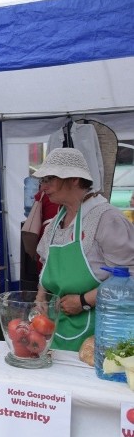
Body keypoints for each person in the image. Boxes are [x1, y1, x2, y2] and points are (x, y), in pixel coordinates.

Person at [35, 148, 134, 351]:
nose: (43, 187)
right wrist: (40, 298)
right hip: (57, 331)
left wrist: (83, 301)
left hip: (102, 333)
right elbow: (46, 265)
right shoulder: (55, 223)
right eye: (42, 180)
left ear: (74, 179)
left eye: (50, 179)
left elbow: (130, 276)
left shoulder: (107, 219)